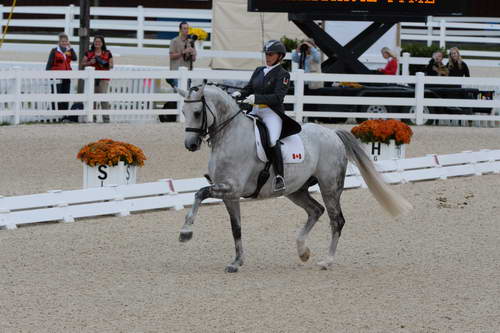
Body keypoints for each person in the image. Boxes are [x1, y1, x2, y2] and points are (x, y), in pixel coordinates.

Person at [231, 40, 302, 192]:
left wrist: (256, 98)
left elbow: (278, 97)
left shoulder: (283, 74)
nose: (267, 57)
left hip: (271, 113)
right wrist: (240, 93)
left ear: (280, 56)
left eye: (271, 54)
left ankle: (279, 177)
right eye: (266, 54)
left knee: (271, 140)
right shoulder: (259, 70)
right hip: (255, 110)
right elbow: (249, 88)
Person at [82, 35, 114, 123]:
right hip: (92, 78)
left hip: (103, 78)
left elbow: (111, 65)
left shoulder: (107, 53)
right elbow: (82, 63)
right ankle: (93, 118)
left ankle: (106, 118)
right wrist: (90, 62)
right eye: (96, 41)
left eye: (99, 42)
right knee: (93, 99)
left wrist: (103, 63)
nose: (97, 43)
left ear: (102, 43)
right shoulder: (88, 53)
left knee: (103, 98)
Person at [46, 32, 77, 114]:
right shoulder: (54, 51)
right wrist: (49, 76)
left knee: (65, 95)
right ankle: (54, 113)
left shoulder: (68, 51)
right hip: (57, 76)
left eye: (66, 41)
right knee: (57, 95)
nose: (64, 43)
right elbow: (49, 64)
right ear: (59, 42)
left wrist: (71, 47)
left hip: (67, 76)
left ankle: (64, 114)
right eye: (62, 41)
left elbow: (75, 58)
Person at [168, 21, 197, 88]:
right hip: (176, 72)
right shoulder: (174, 41)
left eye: (187, 28)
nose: (186, 30)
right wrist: (183, 52)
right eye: (184, 28)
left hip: (188, 72)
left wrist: (193, 54)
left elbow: (194, 59)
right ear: (180, 30)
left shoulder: (191, 41)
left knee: (186, 96)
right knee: (177, 95)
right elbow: (171, 56)